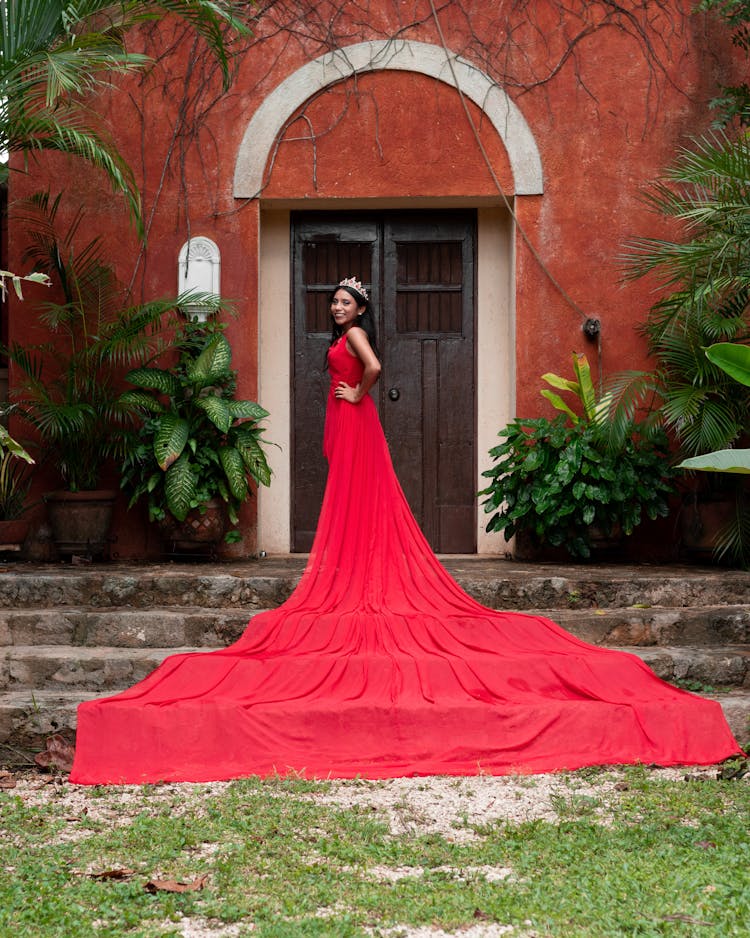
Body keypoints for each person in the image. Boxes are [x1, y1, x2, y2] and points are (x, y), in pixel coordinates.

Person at [70, 277, 743, 784]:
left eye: (344, 304)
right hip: (348, 421)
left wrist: (358, 394)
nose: (337, 310)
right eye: (333, 304)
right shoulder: (337, 335)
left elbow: (376, 368)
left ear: (360, 311)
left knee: (361, 496)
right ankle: (356, 570)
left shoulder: (356, 339)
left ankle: (360, 576)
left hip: (357, 418)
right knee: (352, 498)